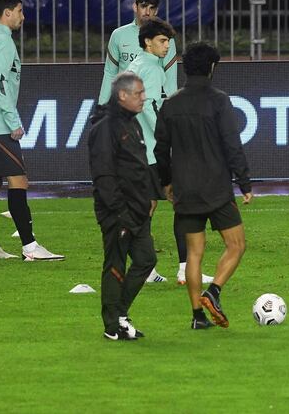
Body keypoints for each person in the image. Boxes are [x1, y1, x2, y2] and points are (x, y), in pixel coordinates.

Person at [154, 42, 253, 330]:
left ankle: (197, 316)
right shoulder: (219, 100)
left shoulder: (171, 103)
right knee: (236, 245)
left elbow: (161, 149)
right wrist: (244, 181)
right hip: (217, 188)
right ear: (212, 68)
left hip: (185, 188)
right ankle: (215, 291)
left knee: (194, 253)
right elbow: (232, 144)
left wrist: (167, 182)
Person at [0, 0, 64, 261]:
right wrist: (13, 121)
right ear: (7, 13)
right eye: (20, 11)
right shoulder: (2, 41)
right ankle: (30, 248)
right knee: (19, 180)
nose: (23, 16)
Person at [126, 18, 215, 285]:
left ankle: (146, 267)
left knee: (148, 207)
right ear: (147, 42)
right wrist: (170, 137)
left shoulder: (137, 66)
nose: (167, 46)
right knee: (181, 205)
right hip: (155, 151)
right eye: (162, 41)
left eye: (168, 41)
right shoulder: (150, 68)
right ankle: (184, 268)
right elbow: (151, 107)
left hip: (142, 149)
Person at [88, 72, 159, 341]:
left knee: (146, 259)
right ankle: (111, 324)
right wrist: (121, 212)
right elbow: (104, 176)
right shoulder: (105, 127)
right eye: (139, 93)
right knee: (115, 264)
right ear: (123, 95)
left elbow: (138, 166)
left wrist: (149, 196)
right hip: (118, 212)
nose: (144, 97)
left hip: (137, 210)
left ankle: (119, 313)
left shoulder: (132, 123)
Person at [98, 0, 178, 104]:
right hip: (124, 105)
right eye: (143, 6)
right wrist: (102, 105)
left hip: (152, 105)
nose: (147, 12)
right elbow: (110, 73)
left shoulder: (165, 38)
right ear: (135, 7)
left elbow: (170, 79)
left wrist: (171, 109)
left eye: (152, 8)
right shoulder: (118, 35)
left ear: (156, 11)